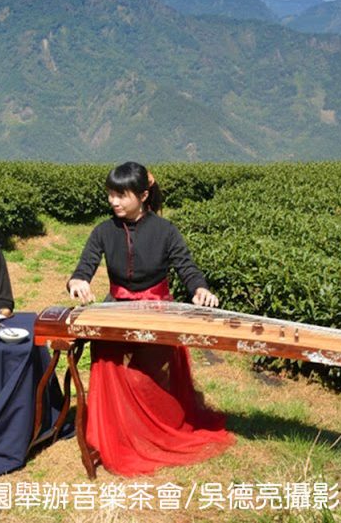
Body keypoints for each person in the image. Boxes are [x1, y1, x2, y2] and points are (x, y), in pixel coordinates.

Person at [66, 161, 233, 476]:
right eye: (111, 195)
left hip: (157, 307)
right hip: (116, 307)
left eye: (122, 195)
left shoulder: (165, 231)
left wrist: (199, 289)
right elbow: (85, 265)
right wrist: (78, 281)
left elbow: (186, 266)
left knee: (151, 372)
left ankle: (155, 428)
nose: (114, 202)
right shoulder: (103, 230)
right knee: (108, 361)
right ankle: (117, 428)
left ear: (143, 195)